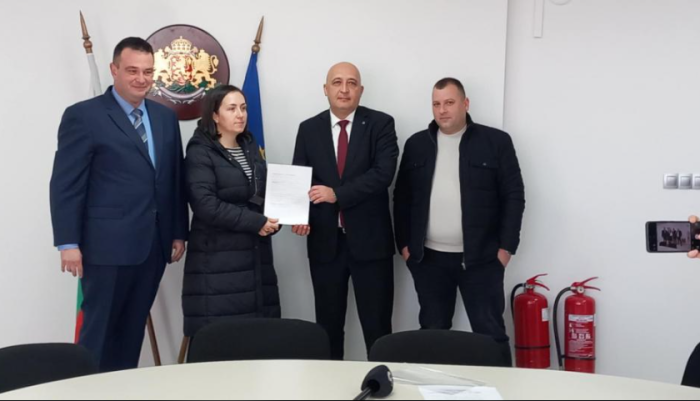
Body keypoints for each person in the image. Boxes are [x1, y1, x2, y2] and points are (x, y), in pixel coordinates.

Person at [50, 37, 189, 372]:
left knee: (131, 331)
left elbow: (173, 178)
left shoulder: (164, 117)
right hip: (104, 248)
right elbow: (66, 183)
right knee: (98, 332)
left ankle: (120, 389)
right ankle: (86, 390)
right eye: (132, 71)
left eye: (147, 71)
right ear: (114, 70)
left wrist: (178, 231)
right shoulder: (84, 116)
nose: (141, 78)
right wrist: (68, 243)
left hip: (153, 246)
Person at [393, 77, 526, 366]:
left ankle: (503, 388)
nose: (442, 110)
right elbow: (401, 198)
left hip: (482, 259)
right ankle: (434, 388)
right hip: (429, 259)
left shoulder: (496, 142)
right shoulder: (417, 144)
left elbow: (514, 196)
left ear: (465, 104)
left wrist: (506, 249)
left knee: (490, 334)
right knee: (433, 332)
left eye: (449, 102)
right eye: (436, 104)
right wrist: (405, 246)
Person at [291, 62, 399, 360]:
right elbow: (301, 178)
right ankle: (329, 383)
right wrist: (299, 217)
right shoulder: (308, 129)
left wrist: (336, 194)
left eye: (352, 83)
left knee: (377, 328)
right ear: (325, 89)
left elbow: (383, 175)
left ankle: (380, 381)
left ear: (361, 90)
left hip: (371, 245)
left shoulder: (381, 124)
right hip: (325, 243)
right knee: (327, 328)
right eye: (337, 82)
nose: (344, 89)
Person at [182, 85, 281, 337]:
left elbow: (262, 195)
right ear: (215, 115)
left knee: (258, 339)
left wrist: (279, 218)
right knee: (225, 340)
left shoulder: (250, 145)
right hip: (217, 262)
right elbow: (206, 205)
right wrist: (256, 222)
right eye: (232, 108)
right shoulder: (199, 151)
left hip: (256, 257)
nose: (241, 114)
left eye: (244, 108)